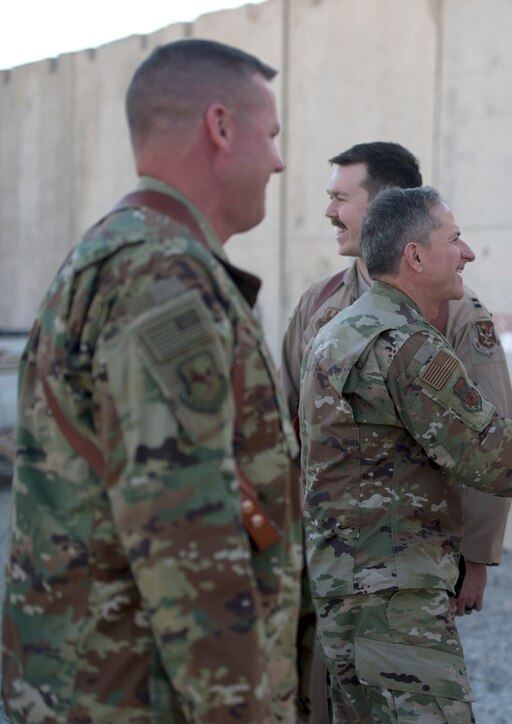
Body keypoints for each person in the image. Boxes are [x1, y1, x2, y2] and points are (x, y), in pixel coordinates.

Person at [1, 39, 303, 722]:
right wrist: (238, 710)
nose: (280, 160)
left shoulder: (125, 253)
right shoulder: (163, 276)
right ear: (221, 127)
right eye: (273, 135)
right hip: (137, 694)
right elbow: (182, 526)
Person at [299, 186, 512, 722]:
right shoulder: (405, 345)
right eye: (455, 239)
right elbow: (487, 449)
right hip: (395, 598)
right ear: (415, 256)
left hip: (346, 588)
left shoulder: (338, 332)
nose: (468, 253)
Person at [281, 142, 511, 619]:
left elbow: (492, 435)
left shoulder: (458, 315)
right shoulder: (317, 303)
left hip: (407, 564)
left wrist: (475, 554)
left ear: (385, 206)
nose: (329, 211)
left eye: (341, 199)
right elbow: (282, 419)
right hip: (321, 552)